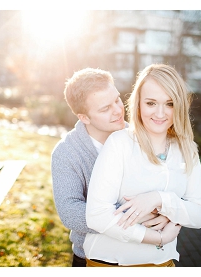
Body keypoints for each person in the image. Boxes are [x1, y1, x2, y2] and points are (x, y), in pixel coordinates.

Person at [84, 63, 201, 267]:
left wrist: (160, 200)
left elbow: (199, 214)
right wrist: (156, 237)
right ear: (138, 104)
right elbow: (96, 215)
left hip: (164, 263)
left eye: (169, 103)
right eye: (151, 103)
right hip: (110, 263)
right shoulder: (119, 143)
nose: (160, 113)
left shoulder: (187, 149)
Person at [51, 68, 172, 267]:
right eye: (105, 108)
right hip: (94, 259)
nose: (117, 110)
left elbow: (167, 185)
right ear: (84, 118)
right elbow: (71, 212)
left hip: (144, 257)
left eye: (117, 100)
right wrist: (138, 214)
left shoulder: (141, 136)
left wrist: (170, 212)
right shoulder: (67, 153)